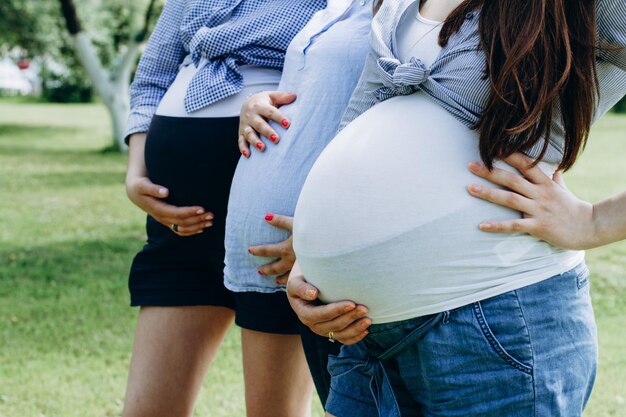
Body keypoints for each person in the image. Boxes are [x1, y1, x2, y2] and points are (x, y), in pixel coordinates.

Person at [288, 0, 626, 416]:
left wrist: (594, 223)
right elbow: (355, 124)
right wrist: (307, 268)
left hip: (495, 319)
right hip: (364, 340)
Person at [122, 1, 326, 416]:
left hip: (271, 239)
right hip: (179, 234)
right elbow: (152, 77)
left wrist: (322, 225)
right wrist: (137, 170)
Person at [225, 0, 376, 406]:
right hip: (274, 268)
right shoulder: (330, 7)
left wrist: (318, 236)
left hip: (333, 257)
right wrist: (256, 102)